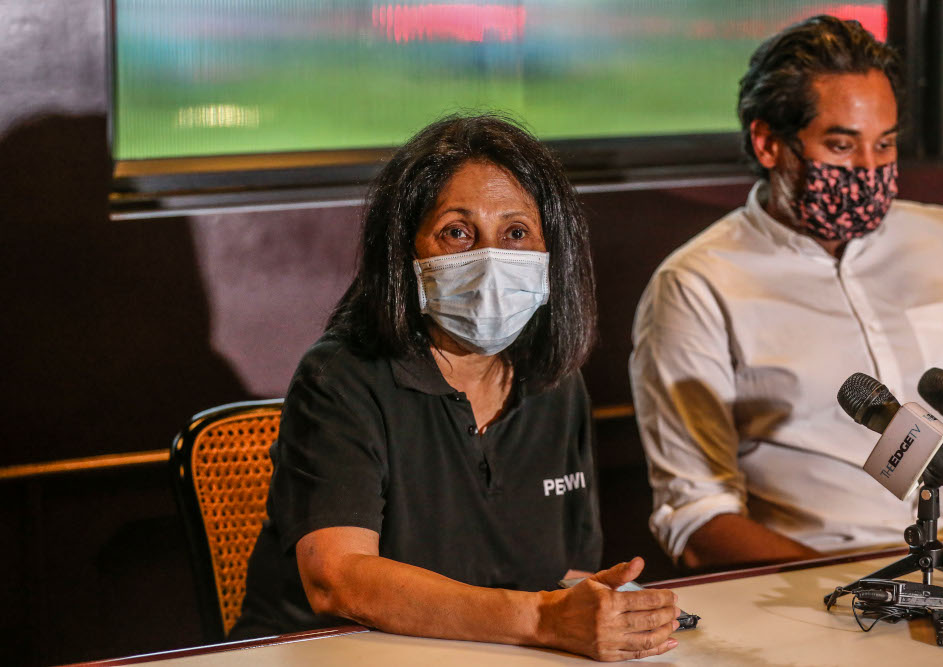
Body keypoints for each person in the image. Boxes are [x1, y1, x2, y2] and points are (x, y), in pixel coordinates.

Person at [232, 114, 682, 661]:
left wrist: (608, 608)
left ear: (550, 255)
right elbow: (338, 579)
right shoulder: (342, 378)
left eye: (516, 233)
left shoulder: (555, 382)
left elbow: (561, 568)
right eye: (457, 232)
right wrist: (542, 619)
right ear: (406, 251)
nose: (490, 258)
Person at [630, 16, 943, 573]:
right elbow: (696, 518)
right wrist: (849, 587)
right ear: (769, 142)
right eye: (841, 145)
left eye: (885, 144)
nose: (870, 169)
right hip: (817, 587)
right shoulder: (696, 287)